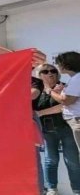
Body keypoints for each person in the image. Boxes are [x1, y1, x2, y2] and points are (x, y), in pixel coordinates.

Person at [34, 64, 80, 195]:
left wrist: (41, 113)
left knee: (72, 161)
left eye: (53, 70)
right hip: (46, 131)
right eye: (45, 71)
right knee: (50, 161)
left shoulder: (66, 86)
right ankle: (51, 189)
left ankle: (77, 190)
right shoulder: (36, 91)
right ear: (39, 75)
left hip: (67, 129)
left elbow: (62, 106)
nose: (50, 73)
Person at [48, 51, 80, 152]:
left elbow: (67, 101)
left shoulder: (76, 79)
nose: (57, 66)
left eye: (58, 63)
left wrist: (49, 91)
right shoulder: (75, 78)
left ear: (66, 65)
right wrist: (62, 90)